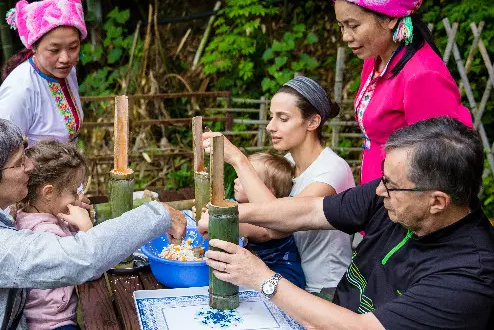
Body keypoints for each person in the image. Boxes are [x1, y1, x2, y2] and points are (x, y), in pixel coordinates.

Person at [201, 117, 494, 329]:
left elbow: (359, 328)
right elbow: (310, 211)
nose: (379, 191)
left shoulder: (468, 277)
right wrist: (236, 213)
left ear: (437, 202)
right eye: (382, 178)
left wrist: (263, 279)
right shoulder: (395, 197)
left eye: (390, 185)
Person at [0, 115, 187, 329]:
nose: (31, 166)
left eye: (25, 154)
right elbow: (79, 258)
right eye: (18, 162)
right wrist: (158, 213)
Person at [200, 76, 354, 299]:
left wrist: (237, 159)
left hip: (326, 290)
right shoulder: (289, 163)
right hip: (290, 280)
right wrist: (217, 221)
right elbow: (262, 221)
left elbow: (274, 223)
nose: (271, 126)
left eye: (283, 118)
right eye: (271, 117)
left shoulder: (332, 171)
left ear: (312, 122)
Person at [332, 0, 472, 184]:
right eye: (341, 26)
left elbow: (441, 160)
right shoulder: (374, 59)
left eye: (354, 25)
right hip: (379, 189)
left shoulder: (422, 76)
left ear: (389, 18)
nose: (345, 37)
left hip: (405, 199)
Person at [13, 140, 94, 330]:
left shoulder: (27, 215)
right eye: (74, 191)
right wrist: (86, 228)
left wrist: (73, 208)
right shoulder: (47, 234)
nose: (78, 197)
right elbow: (91, 267)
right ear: (48, 192)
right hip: (52, 323)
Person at [0, 0, 86, 145]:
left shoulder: (68, 73)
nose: (65, 58)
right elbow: (1, 150)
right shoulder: (19, 91)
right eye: (54, 50)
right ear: (34, 47)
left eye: (73, 47)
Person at [238, 152, 306, 290]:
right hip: (258, 270)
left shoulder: (274, 216)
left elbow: (256, 231)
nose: (236, 180)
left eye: (245, 179)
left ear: (266, 190)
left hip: (284, 274)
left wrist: (217, 220)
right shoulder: (238, 203)